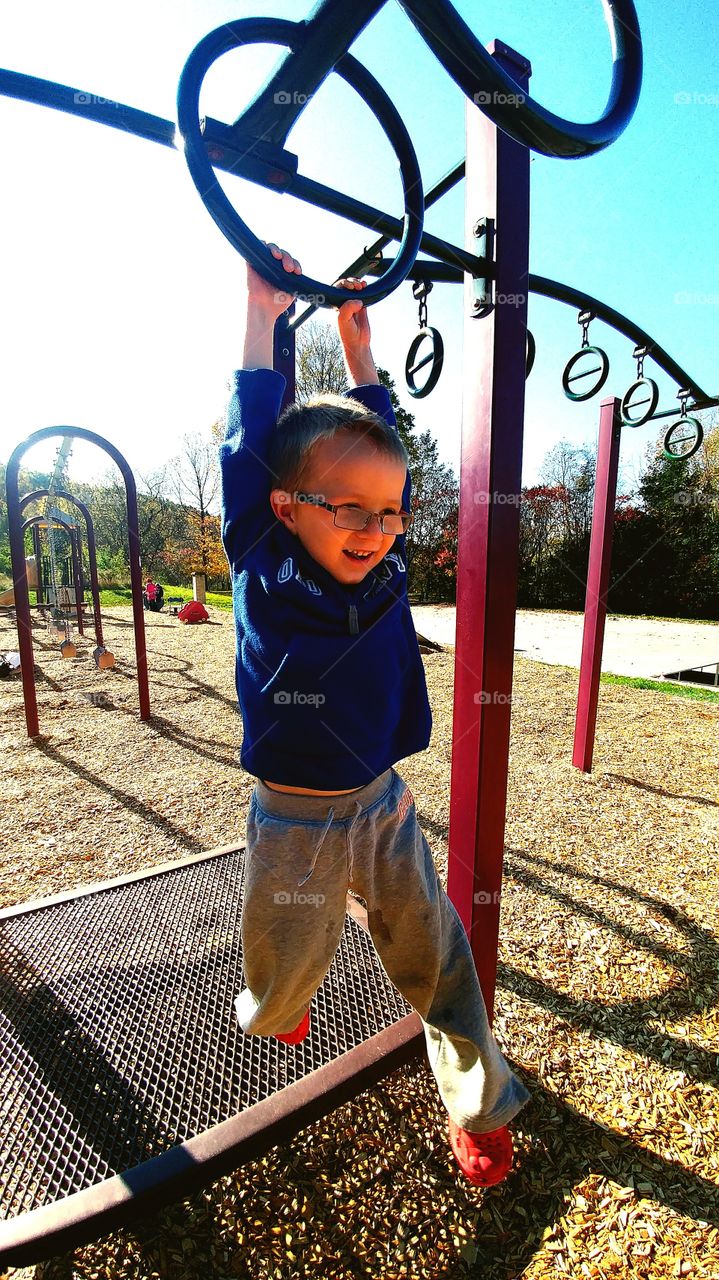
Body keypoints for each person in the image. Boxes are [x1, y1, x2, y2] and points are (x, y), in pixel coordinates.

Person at [219, 243, 530, 1187]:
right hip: (295, 820)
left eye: (388, 512)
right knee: (284, 969)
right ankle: (277, 1008)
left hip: (383, 803)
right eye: (345, 510)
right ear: (283, 508)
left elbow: (378, 443)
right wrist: (262, 311)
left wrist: (361, 343)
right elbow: (250, 438)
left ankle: (475, 1101)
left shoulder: (384, 561)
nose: (373, 527)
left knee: (436, 955)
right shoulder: (261, 561)